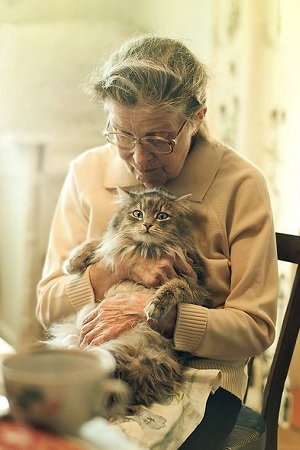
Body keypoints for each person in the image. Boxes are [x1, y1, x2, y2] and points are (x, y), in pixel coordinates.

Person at [36, 34, 278, 449]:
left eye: (159, 139)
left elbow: (255, 328)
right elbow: (47, 305)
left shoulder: (242, 184)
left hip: (197, 376)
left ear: (197, 117)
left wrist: (165, 317)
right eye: (123, 135)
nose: (140, 159)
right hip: (85, 354)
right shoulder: (86, 172)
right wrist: (114, 269)